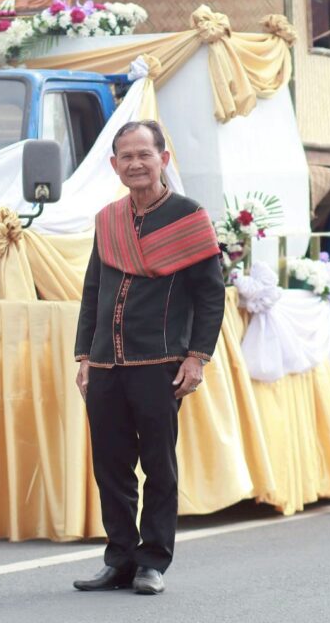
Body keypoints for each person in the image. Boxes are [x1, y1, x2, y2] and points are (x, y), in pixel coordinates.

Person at [72, 120, 225, 595]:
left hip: (159, 364)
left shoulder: (188, 217)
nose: (136, 164)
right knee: (110, 467)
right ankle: (119, 559)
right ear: (114, 165)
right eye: (127, 156)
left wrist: (197, 357)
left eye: (145, 154)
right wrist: (85, 356)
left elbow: (210, 294)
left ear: (164, 159)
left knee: (159, 466)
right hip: (105, 365)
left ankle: (152, 562)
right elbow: (93, 289)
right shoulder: (109, 220)